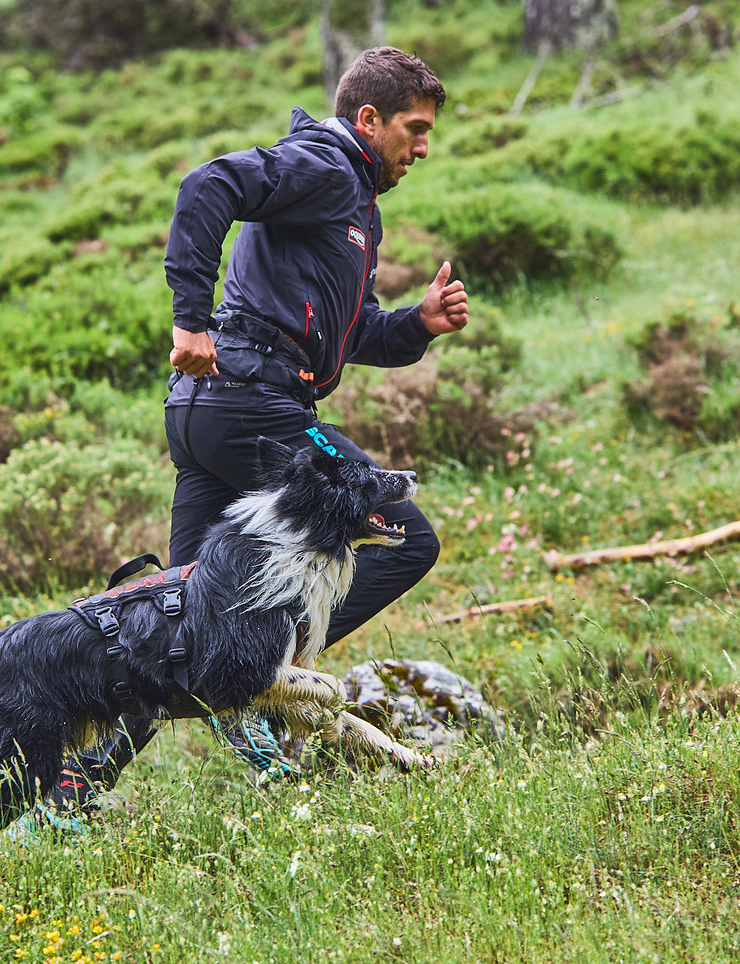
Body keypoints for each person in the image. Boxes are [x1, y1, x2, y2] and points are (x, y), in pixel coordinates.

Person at [50, 46, 469, 813]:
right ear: (367, 119)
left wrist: (419, 325)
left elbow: (353, 333)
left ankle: (68, 793)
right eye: (412, 127)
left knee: (176, 628)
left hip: (211, 410)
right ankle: (259, 676)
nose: (423, 146)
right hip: (252, 404)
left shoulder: (354, 208)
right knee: (403, 534)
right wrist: (188, 317)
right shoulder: (324, 165)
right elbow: (207, 184)